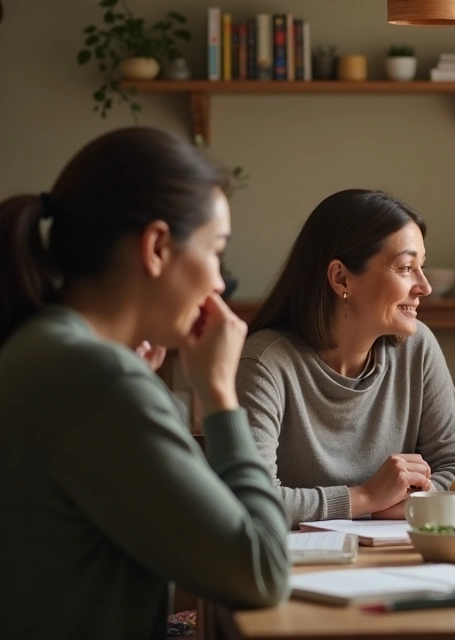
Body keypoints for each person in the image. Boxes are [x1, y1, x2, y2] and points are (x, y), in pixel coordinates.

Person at [0, 127, 289, 639]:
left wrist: (138, 387)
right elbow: (263, 572)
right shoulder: (99, 382)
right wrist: (220, 396)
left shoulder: (48, 349)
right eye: (215, 251)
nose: (220, 283)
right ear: (156, 247)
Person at [237, 189, 455, 528]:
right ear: (340, 278)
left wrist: (414, 500)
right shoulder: (267, 362)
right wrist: (365, 498)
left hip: (403, 558)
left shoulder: (417, 348)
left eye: (421, 267)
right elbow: (252, 501)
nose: (423, 286)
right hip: (298, 568)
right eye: (406, 267)